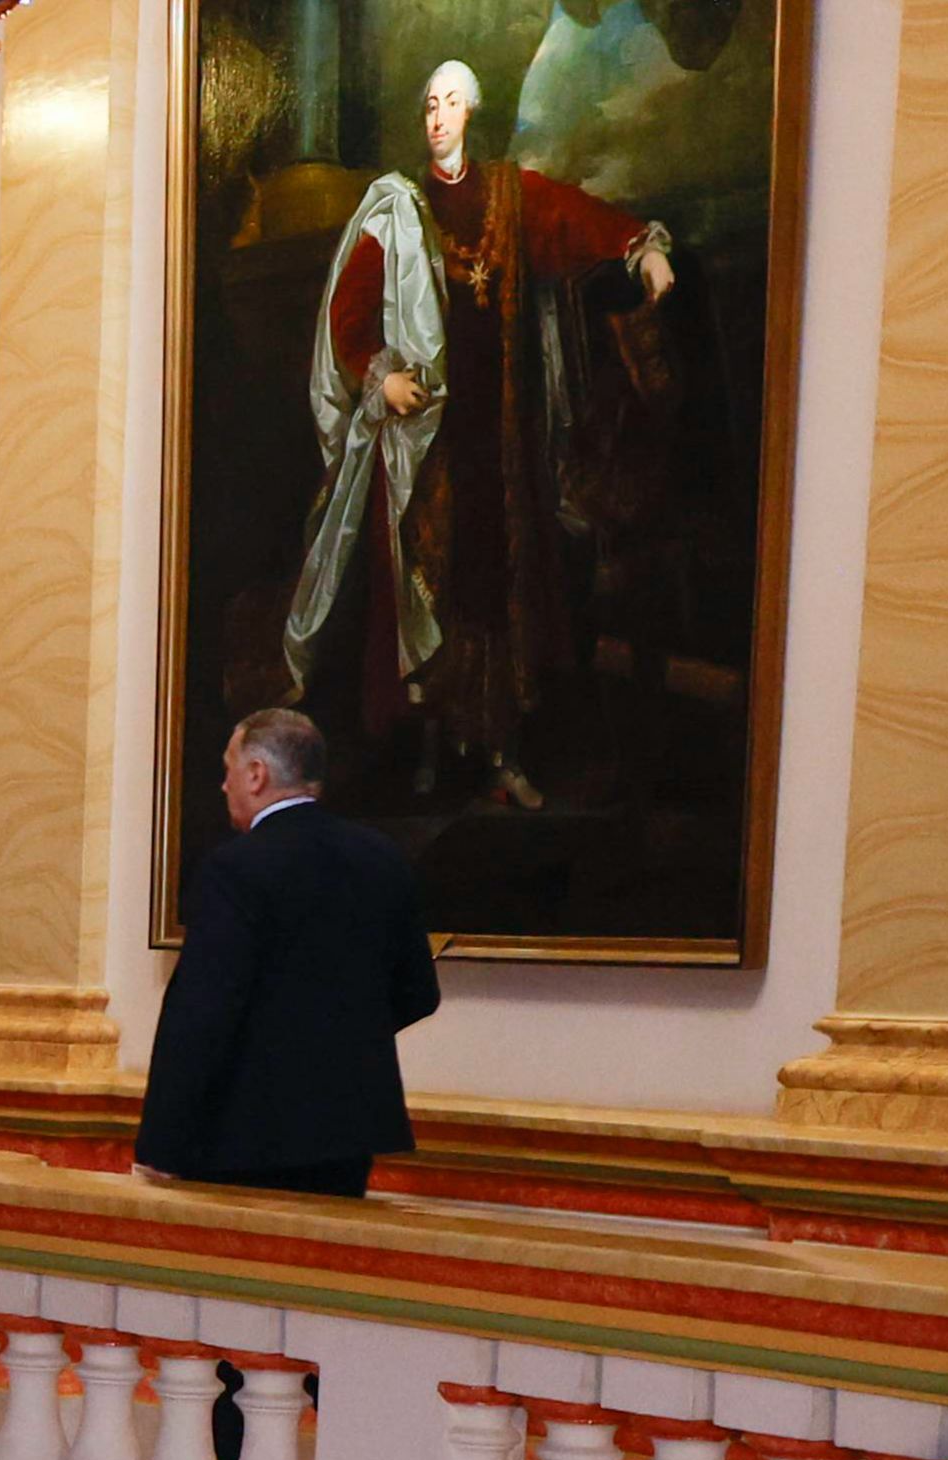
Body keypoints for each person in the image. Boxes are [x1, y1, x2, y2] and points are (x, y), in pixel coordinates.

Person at [276, 59, 676, 810]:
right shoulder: (395, 210)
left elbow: (579, 218)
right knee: (429, 594)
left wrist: (641, 248)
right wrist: (379, 378)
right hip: (423, 450)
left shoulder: (510, 198)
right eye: (428, 103)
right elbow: (348, 322)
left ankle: (501, 752)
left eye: (450, 103)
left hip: (501, 440)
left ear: (472, 113)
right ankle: (428, 755)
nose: (436, 116)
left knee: (499, 591)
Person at [142, 709, 437, 1201]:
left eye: (228, 768)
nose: (222, 785)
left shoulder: (234, 868)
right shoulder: (381, 856)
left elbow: (203, 1015)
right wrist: (339, 1041)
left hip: (243, 1134)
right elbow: (419, 992)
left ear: (256, 774)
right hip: (348, 1131)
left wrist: (162, 1143)